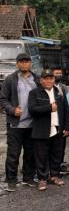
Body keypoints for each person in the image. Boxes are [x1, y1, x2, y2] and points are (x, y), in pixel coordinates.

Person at [0, 53, 39, 192]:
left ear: (30, 63)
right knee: (13, 153)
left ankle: (28, 177)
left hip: (32, 124)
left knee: (30, 153)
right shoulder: (10, 79)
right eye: (21, 62)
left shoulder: (36, 79)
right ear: (17, 64)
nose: (24, 64)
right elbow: (3, 99)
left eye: (26, 61)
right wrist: (12, 110)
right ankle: (11, 180)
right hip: (15, 124)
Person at [28, 70, 69, 191]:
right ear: (41, 80)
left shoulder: (59, 92)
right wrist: (49, 108)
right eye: (46, 78)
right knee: (41, 156)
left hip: (57, 128)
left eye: (51, 78)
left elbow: (66, 110)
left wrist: (67, 127)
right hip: (41, 130)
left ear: (53, 79)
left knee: (56, 154)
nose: (48, 81)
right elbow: (32, 110)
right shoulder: (34, 93)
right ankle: (42, 179)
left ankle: (55, 175)